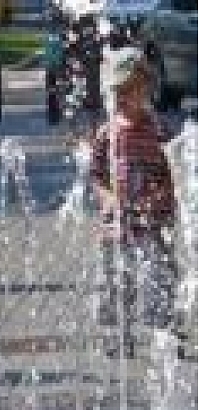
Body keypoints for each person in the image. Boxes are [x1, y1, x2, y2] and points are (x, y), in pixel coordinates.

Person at [90, 46, 178, 359]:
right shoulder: (107, 132)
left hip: (153, 222)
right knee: (116, 281)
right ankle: (118, 335)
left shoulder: (159, 131)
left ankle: (164, 334)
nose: (125, 97)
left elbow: (173, 176)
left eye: (132, 89)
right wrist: (108, 197)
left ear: (146, 87)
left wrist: (159, 197)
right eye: (119, 91)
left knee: (160, 276)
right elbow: (96, 174)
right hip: (116, 225)